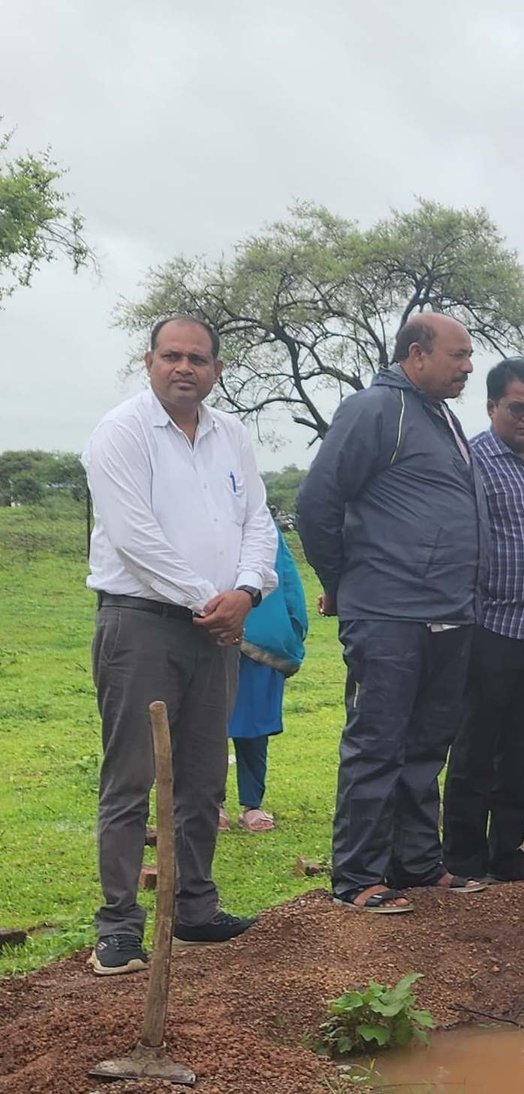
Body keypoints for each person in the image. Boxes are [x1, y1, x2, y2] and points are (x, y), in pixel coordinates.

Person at [83, 314, 277, 974]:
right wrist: (211, 599)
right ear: (149, 361)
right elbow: (134, 537)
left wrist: (247, 591)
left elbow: (260, 521)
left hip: (219, 629)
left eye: (198, 358)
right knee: (131, 777)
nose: (184, 368)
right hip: (141, 626)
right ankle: (117, 927)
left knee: (201, 778)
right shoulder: (122, 432)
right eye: (172, 356)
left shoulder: (231, 437)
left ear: (217, 370)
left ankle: (194, 908)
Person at [297, 312, 489, 914]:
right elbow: (316, 504)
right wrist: (345, 583)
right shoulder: (376, 409)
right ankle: (357, 876)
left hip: (450, 613)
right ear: (416, 355)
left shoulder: (443, 416)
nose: (466, 367)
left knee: (427, 745)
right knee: (377, 744)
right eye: (457, 356)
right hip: (388, 613)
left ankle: (416, 863)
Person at [439, 356, 524, 882]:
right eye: (518, 407)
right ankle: (464, 856)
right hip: (493, 627)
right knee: (477, 747)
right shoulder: (471, 460)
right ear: (492, 405)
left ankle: (507, 852)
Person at [226, 529, 309, 831]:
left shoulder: (265, 529)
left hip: (262, 639)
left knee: (254, 725)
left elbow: (287, 581)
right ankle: (211, 803)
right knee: (205, 724)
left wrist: (293, 627)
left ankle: (252, 804)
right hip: (209, 630)